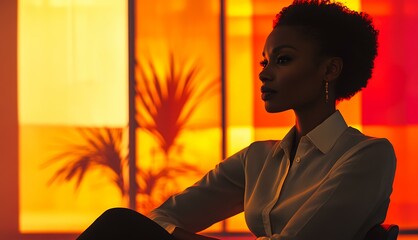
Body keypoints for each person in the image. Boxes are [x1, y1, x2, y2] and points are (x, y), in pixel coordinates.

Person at [77, 0, 396, 239]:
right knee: (119, 222)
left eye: (283, 60)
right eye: (265, 61)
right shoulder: (258, 159)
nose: (265, 73)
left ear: (330, 70)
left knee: (118, 223)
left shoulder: (367, 156)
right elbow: (161, 217)